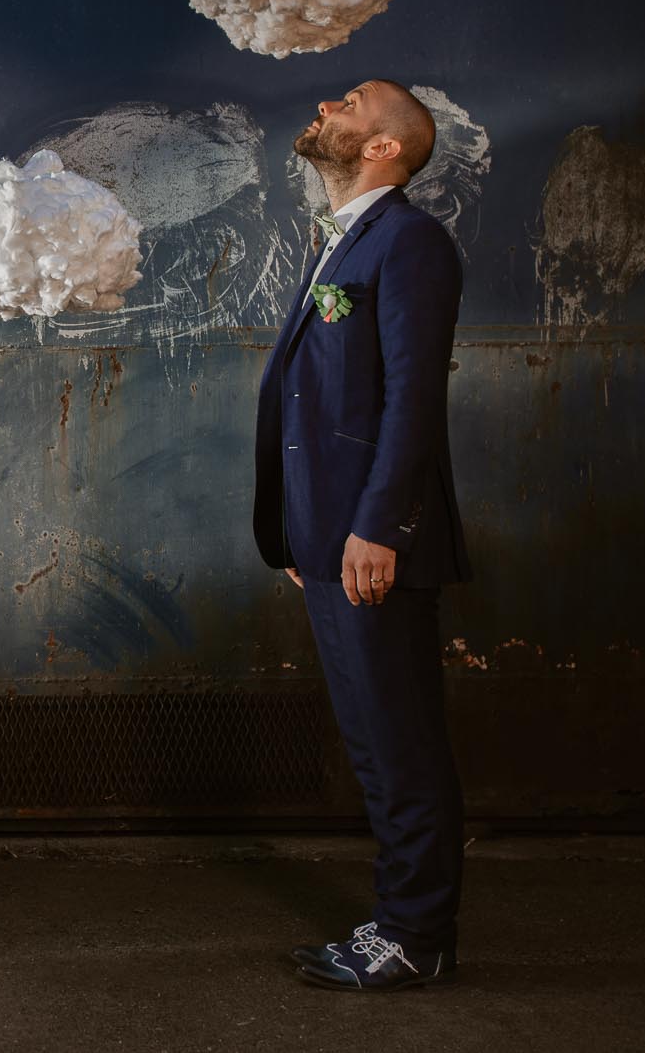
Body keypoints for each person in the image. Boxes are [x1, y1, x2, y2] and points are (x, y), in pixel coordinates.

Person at [254, 80, 473, 992]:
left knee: (400, 742)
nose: (325, 107)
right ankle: (402, 922)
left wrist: (376, 528)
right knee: (375, 743)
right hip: (329, 546)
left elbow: (413, 401)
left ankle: (416, 935)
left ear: (383, 146)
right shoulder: (347, 238)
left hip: (372, 544)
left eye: (348, 102)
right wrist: (307, 540)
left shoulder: (411, 243)